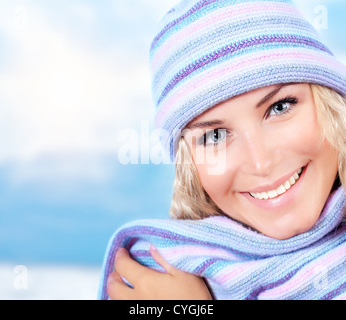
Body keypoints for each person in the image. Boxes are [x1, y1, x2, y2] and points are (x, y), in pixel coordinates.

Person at [98, 0, 346, 300]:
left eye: (280, 107)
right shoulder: (157, 278)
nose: (261, 162)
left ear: (330, 102)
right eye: (215, 135)